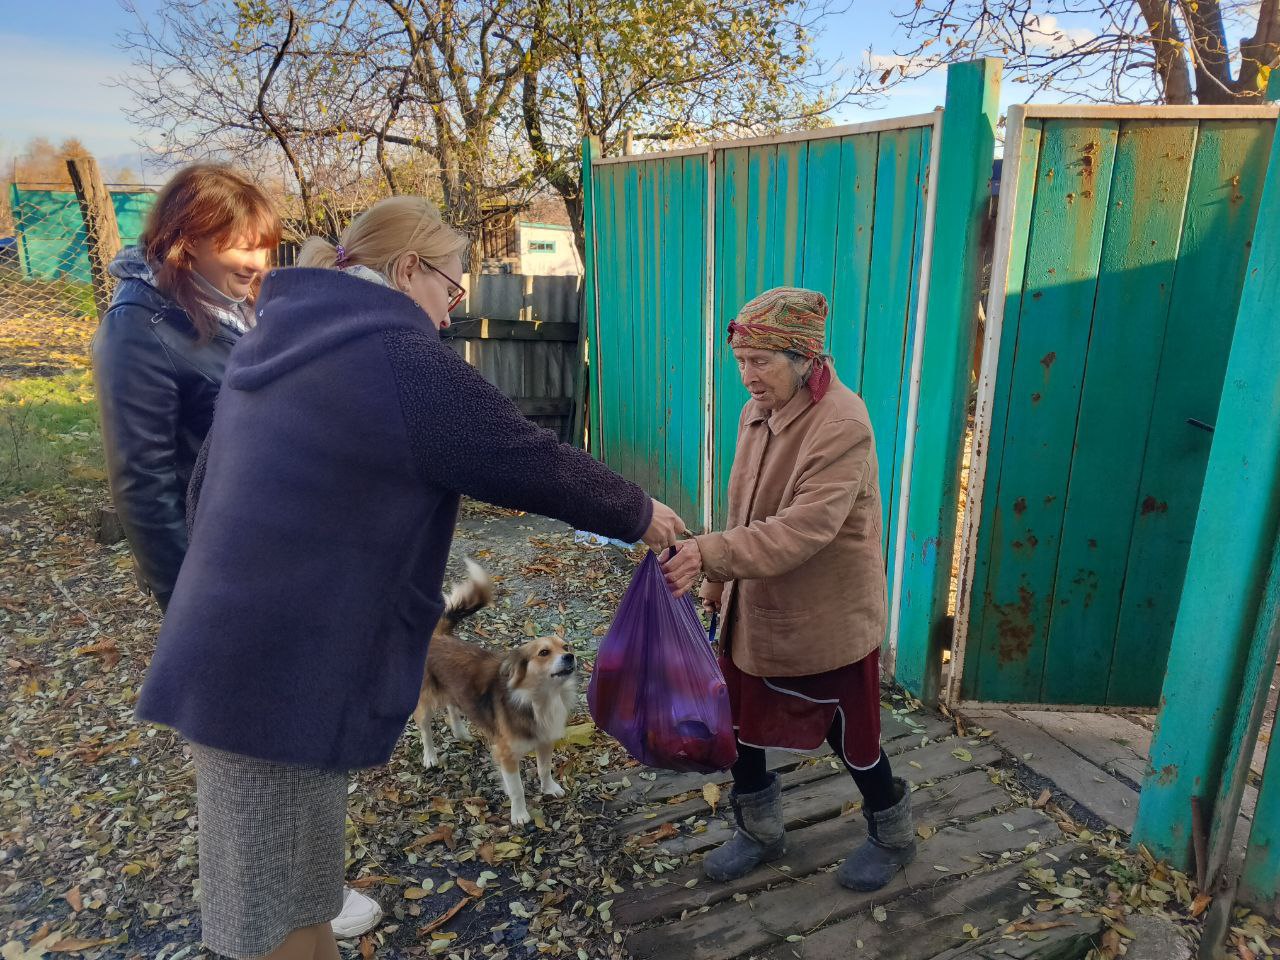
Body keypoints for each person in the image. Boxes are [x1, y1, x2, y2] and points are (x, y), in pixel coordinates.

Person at [135, 195, 688, 960]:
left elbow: (204, 492)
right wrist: (640, 511)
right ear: (405, 270)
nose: (450, 315)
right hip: (275, 677)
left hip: (247, 654)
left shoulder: (279, 339)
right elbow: (522, 455)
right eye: (452, 289)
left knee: (299, 894)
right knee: (264, 917)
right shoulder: (392, 351)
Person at [91, 164, 385, 940]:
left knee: (297, 731)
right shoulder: (139, 327)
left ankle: (309, 889)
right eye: (238, 244)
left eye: (263, 243)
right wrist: (188, 605)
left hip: (278, 567)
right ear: (182, 240)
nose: (259, 259)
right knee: (248, 752)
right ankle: (270, 913)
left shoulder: (236, 312)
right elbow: (144, 486)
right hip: (222, 582)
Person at [660, 287, 914, 892]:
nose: (747, 375)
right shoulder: (761, 411)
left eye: (761, 361)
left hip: (826, 616)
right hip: (759, 606)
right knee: (738, 722)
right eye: (741, 360)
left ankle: (894, 833)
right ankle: (759, 830)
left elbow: (806, 528)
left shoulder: (843, 424)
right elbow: (744, 504)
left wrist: (709, 554)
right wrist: (720, 581)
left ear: (804, 359)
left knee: (848, 735)